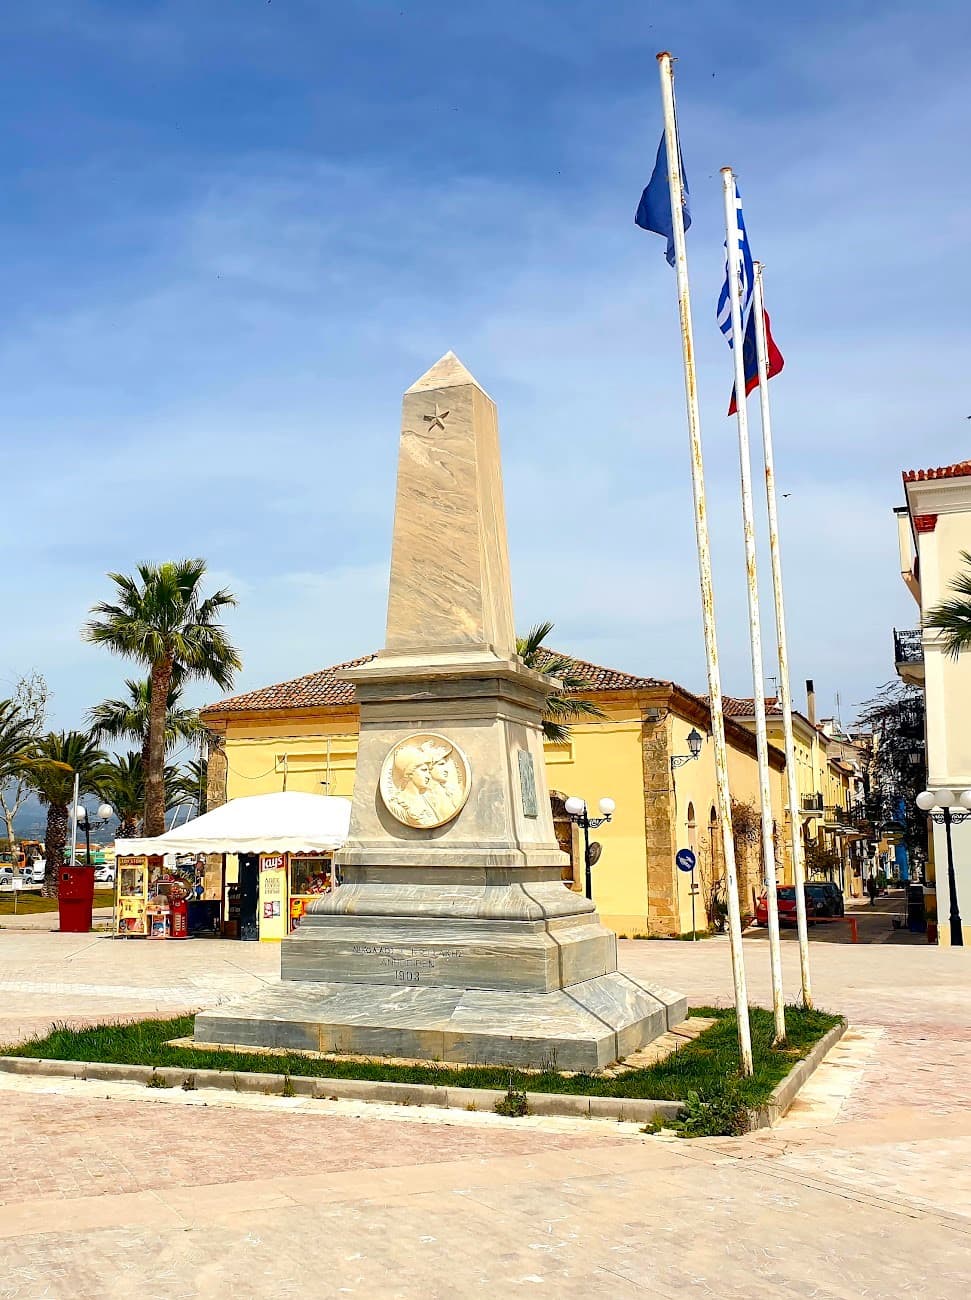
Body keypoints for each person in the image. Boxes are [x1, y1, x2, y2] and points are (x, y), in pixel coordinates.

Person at [387, 744, 440, 827]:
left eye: (429, 772)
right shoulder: (397, 806)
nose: (429, 776)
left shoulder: (428, 800)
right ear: (410, 773)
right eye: (424, 770)